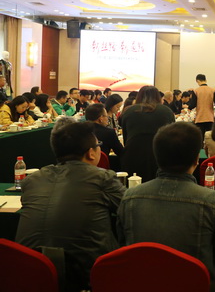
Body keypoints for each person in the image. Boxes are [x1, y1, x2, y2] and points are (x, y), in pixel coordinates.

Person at [117, 122, 215, 289]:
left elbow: (123, 247)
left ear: (157, 157)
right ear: (197, 159)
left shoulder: (130, 197)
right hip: (196, 284)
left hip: (143, 283)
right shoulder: (212, 200)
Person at [16, 122, 125, 292]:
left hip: (29, 274)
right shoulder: (103, 178)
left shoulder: (33, 180)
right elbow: (128, 208)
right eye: (98, 145)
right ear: (91, 153)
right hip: (86, 276)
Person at [120, 86, 175, 181]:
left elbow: (126, 137)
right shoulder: (166, 111)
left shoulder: (129, 111)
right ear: (158, 96)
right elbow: (172, 137)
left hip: (132, 155)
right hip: (160, 156)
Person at [85, 103, 124, 170]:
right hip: (101, 168)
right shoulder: (109, 132)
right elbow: (121, 152)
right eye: (106, 116)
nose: (107, 119)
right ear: (101, 118)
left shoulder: (80, 130)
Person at [194, 74, 215, 145]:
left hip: (200, 117)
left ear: (197, 81)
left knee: (200, 137)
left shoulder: (196, 91)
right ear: (205, 80)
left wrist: (188, 107)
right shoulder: (212, 90)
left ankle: (201, 150)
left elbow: (192, 104)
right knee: (209, 137)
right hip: (210, 117)